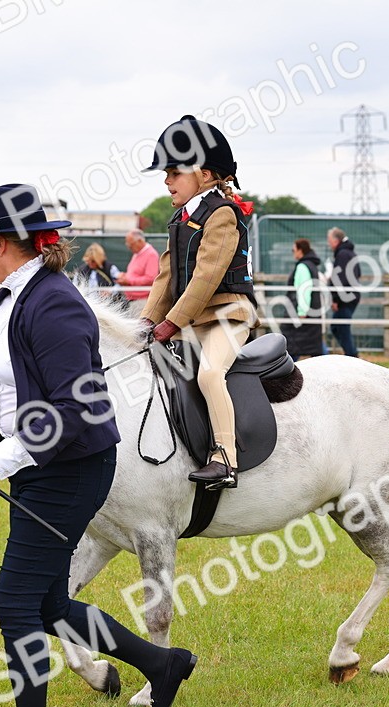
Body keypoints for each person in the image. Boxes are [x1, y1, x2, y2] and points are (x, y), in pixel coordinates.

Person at [0, 184, 198, 707]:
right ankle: (161, 663)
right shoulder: (6, 297)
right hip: (37, 465)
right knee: (48, 602)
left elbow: (75, 411)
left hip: (70, 471)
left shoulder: (53, 305)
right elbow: (1, 389)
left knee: (14, 601)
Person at [141, 115, 259, 490]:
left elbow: (206, 278)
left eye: (174, 172)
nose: (167, 180)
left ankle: (225, 458)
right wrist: (145, 323)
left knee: (209, 373)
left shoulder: (223, 214)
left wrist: (171, 323)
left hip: (228, 315)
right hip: (193, 322)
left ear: (205, 175)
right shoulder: (181, 218)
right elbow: (165, 277)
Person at [279, 239, 325, 360]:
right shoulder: (311, 265)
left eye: (294, 250)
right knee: (314, 346)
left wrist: (302, 312)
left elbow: (304, 289)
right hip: (309, 312)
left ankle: (287, 369)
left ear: (300, 250)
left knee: (293, 344)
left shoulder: (302, 266)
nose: (293, 253)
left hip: (300, 312)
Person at [326, 226, 362, 357]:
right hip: (350, 296)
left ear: (336, 241)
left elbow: (339, 279)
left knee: (341, 328)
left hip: (345, 298)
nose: (328, 243)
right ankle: (351, 354)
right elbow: (358, 273)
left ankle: (353, 356)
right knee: (337, 327)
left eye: (329, 240)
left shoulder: (342, 254)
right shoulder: (349, 253)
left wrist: (336, 299)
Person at [116, 228, 159, 315]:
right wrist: (125, 276)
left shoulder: (151, 254)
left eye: (131, 245)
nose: (129, 247)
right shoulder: (137, 254)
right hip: (133, 300)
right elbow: (135, 274)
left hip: (142, 301)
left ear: (139, 241)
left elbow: (151, 278)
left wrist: (129, 281)